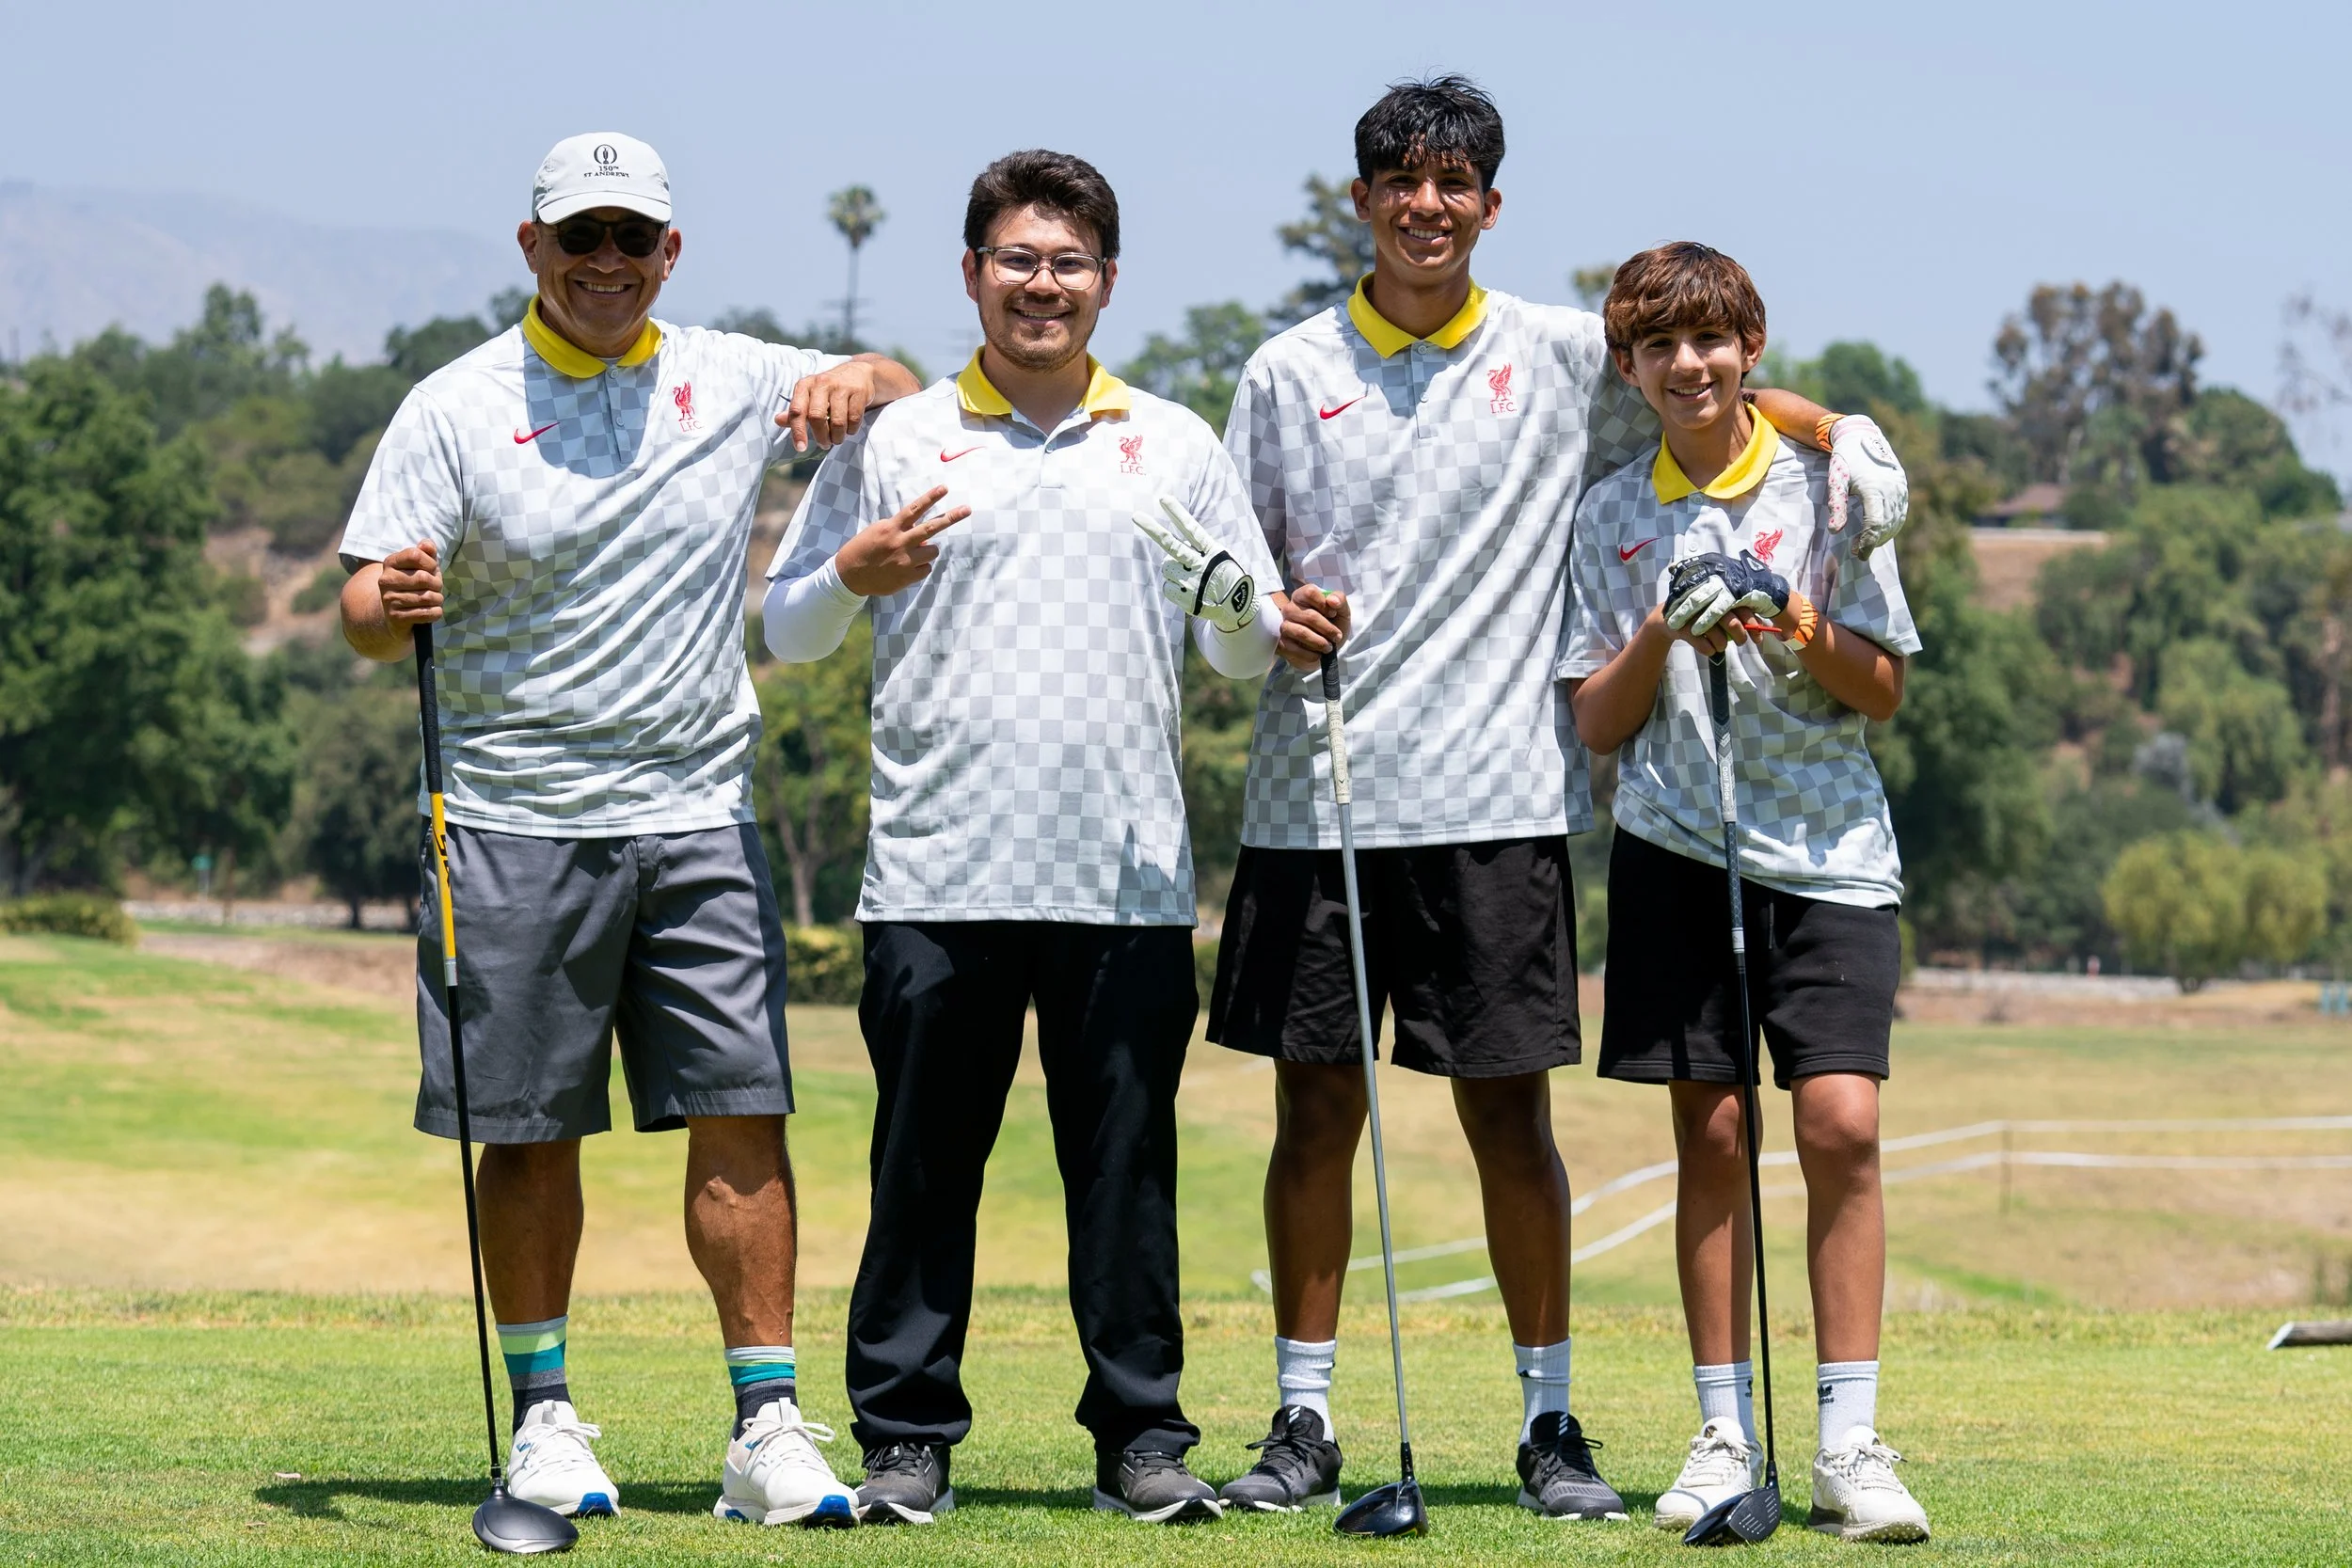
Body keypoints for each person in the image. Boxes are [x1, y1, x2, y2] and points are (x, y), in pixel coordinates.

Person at [1206, 75, 1912, 1520]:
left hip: (1499, 797)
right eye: (1402, 182)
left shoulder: (1546, 343)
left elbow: (1696, 371)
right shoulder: (1283, 369)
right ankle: (1303, 1418)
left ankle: (1548, 1425)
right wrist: (1268, 616)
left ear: (1489, 204)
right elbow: (1230, 586)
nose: (1427, 206)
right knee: (1314, 1116)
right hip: (1316, 797)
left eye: (1455, 183)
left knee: (1507, 1122)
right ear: (1363, 200)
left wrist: (1829, 420)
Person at [337, 131, 922, 1530]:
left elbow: (900, 385)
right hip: (506, 816)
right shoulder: (454, 404)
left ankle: (766, 1425)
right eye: (579, 237)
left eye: (632, 239)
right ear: (531, 247)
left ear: (671, 253)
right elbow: (360, 604)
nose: (607, 262)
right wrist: (389, 603)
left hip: (697, 808)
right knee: (532, 1130)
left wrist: (869, 376)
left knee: (743, 1110)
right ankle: (542, 1418)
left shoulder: (726, 371)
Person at [763, 149, 1282, 1527]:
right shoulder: (902, 439)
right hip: (939, 866)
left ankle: (1142, 1438)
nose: (1041, 284)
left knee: (1124, 1174)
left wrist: (1235, 598)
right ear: (973, 274)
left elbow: (1241, 656)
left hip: (1124, 876)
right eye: (1016, 259)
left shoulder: (1171, 444)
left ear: (1107, 281)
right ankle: (904, 1434)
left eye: (1067, 262)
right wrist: (848, 572)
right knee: (923, 1168)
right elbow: (788, 623)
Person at [1562, 242, 1931, 1544]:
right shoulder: (1612, 508)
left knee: (1839, 1125)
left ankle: (1849, 1441)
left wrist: (1784, 616)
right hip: (1676, 843)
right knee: (1711, 1137)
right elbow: (1598, 723)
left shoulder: (1824, 490)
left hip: (1828, 854)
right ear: (1630, 365)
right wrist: (1666, 623)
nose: (1688, 364)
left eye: (1710, 342)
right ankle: (1725, 1431)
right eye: (1659, 347)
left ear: (1750, 351)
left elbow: (1882, 685)